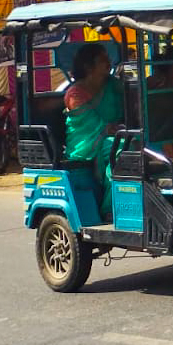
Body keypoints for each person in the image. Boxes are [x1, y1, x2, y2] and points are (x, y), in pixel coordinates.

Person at [63, 42, 125, 218]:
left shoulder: (111, 84)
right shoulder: (75, 94)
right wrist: (113, 129)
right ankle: (109, 208)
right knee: (122, 149)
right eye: (103, 60)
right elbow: (91, 124)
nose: (108, 63)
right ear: (88, 66)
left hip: (113, 135)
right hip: (86, 142)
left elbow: (133, 91)